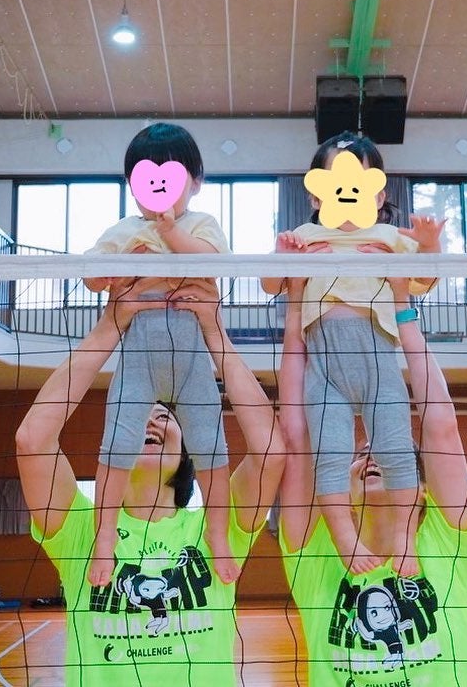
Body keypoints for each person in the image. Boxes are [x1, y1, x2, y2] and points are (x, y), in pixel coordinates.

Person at [15, 283, 285, 685]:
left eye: (165, 417)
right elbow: (31, 441)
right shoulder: (81, 528)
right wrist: (110, 325)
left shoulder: (218, 525)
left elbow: (271, 452)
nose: (150, 420)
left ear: (188, 452)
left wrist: (214, 332)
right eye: (139, 412)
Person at [278, 278, 467, 686]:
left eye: (387, 453)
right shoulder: (317, 553)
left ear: (422, 490)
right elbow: (296, 434)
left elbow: (441, 425)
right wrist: (297, 309)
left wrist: (402, 310)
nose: (371, 455)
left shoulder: (447, 542)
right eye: (359, 455)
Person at [263, 131, 444, 576]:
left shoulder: (389, 237)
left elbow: (427, 279)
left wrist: (428, 243)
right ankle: (345, 537)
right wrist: (282, 256)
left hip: (378, 360)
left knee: (397, 451)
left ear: (379, 194)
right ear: (315, 194)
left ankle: (404, 538)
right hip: (324, 369)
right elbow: (269, 285)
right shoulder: (305, 236)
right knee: (330, 454)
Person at [82, 123, 238, 585]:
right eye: (145, 176)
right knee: (116, 444)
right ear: (133, 184)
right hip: (139, 356)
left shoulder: (201, 225)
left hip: (191, 357)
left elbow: (212, 264)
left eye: (171, 175)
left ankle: (218, 534)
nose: (158, 187)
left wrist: (170, 233)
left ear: (195, 181)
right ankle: (105, 538)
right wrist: (115, 268)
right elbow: (92, 275)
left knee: (211, 445)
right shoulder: (124, 230)